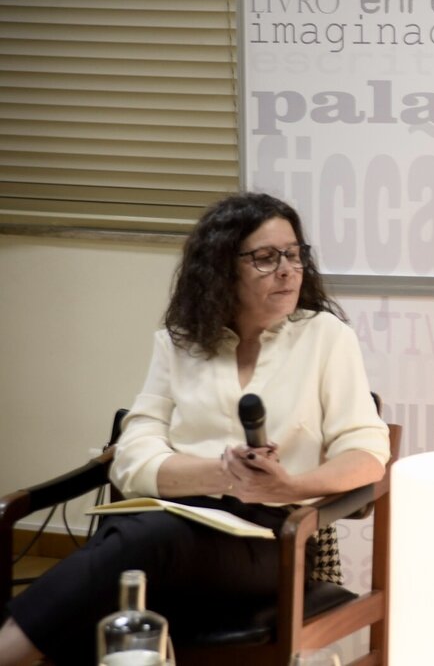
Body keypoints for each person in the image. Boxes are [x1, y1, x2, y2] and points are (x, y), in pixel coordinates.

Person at [0, 192, 390, 665]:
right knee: (133, 547)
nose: (288, 270)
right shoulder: (180, 343)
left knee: (135, 547)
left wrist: (290, 485)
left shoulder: (326, 337)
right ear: (222, 267)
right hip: (175, 519)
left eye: (294, 254)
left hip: (272, 540)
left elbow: (367, 454)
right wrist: (222, 474)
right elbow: (133, 454)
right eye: (266, 258)